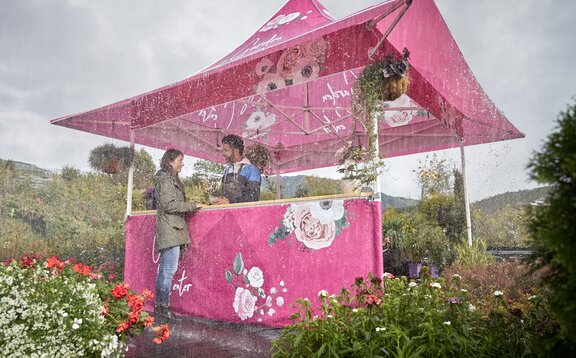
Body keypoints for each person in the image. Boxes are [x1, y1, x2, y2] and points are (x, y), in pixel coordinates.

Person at [153, 149, 199, 322]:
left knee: (165, 271)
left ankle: (160, 307)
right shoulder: (166, 180)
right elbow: (170, 205)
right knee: (167, 271)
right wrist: (193, 205)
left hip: (172, 229)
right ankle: (163, 308)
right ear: (170, 161)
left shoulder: (169, 179)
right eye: (180, 160)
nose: (182, 163)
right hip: (170, 230)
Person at [212, 134, 261, 205]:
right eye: (222, 150)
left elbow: (253, 198)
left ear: (236, 151)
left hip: (244, 214)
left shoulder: (252, 170)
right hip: (227, 213)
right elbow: (224, 196)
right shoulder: (227, 170)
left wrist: (230, 202)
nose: (223, 153)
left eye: (225, 150)